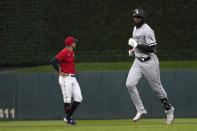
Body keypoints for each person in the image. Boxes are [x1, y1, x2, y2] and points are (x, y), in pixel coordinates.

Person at [126, 9, 174, 124]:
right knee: (129, 84)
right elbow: (138, 47)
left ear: (143, 18)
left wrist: (136, 44)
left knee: (157, 89)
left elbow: (152, 48)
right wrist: (133, 50)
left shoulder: (147, 30)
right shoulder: (135, 29)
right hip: (137, 62)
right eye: (135, 17)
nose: (136, 19)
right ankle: (141, 110)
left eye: (138, 17)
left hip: (149, 62)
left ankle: (169, 110)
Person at [50, 37, 83, 125]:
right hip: (66, 78)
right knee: (67, 99)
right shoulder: (64, 52)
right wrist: (59, 71)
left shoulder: (71, 51)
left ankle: (68, 117)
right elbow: (53, 61)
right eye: (74, 42)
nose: (75, 43)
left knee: (79, 98)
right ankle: (68, 120)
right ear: (70, 44)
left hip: (72, 77)